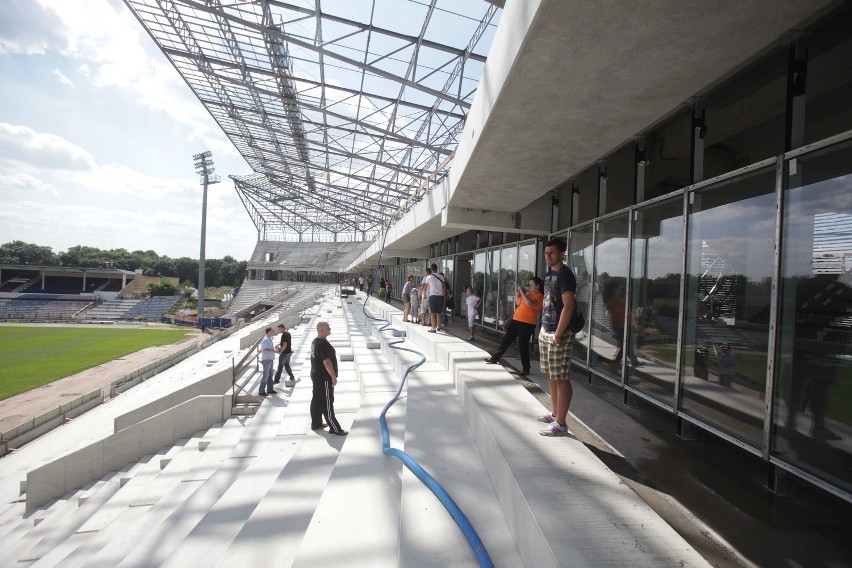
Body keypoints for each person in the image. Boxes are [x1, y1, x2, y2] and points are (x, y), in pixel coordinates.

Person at [537, 238, 577, 436]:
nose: (548, 256)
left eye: (552, 253)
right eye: (546, 253)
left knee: (561, 377)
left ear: (562, 253)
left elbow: (568, 306)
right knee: (551, 375)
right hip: (546, 329)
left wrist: (559, 333)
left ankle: (561, 423)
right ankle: (554, 414)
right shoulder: (549, 273)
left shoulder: (565, 274)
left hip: (558, 333)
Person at [485, 277, 543, 375]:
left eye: (531, 284)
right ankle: (495, 358)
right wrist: (518, 293)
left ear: (538, 286)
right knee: (506, 340)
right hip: (516, 320)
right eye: (529, 284)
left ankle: (526, 368)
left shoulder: (539, 296)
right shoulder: (528, 294)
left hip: (527, 323)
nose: (530, 286)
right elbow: (518, 302)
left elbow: (529, 304)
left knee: (522, 345)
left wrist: (522, 292)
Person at [310, 321, 347, 435]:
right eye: (327, 328)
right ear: (321, 330)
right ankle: (335, 428)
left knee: (316, 400)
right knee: (327, 401)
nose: (330, 329)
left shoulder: (315, 342)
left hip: (316, 376)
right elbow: (327, 362)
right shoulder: (323, 344)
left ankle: (316, 423)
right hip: (324, 378)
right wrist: (333, 377)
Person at [425, 263, 446, 333]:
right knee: (439, 313)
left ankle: (433, 328)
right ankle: (439, 326)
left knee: (433, 313)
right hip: (440, 296)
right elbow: (444, 287)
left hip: (432, 296)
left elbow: (425, 287)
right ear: (437, 269)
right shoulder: (441, 276)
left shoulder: (428, 277)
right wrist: (445, 295)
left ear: (431, 269)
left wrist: (425, 294)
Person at [258, 327, 277, 396]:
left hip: (270, 359)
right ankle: (261, 391)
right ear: (268, 332)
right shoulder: (266, 340)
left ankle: (270, 389)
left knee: (270, 375)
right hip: (266, 360)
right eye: (272, 331)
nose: (273, 332)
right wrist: (274, 351)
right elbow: (264, 350)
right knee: (266, 376)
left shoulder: (269, 339)